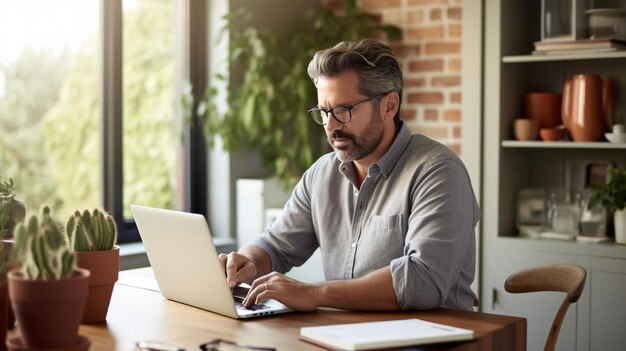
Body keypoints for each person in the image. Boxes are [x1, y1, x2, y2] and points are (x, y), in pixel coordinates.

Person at [219, 39, 479, 311]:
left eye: (343, 111)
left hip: (433, 337)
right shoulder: (321, 174)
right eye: (324, 112)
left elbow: (422, 280)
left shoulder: (438, 172)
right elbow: (276, 246)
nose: (330, 126)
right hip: (341, 335)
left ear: (389, 106)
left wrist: (316, 293)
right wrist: (244, 262)